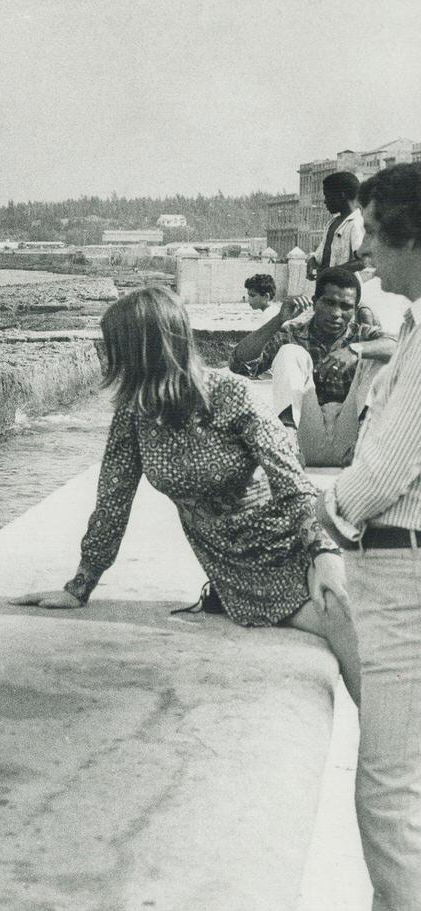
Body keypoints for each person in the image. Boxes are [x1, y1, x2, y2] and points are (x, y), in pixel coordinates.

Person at [12, 286, 359, 703]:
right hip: (239, 568)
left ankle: (387, 750)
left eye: (116, 348)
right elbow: (112, 502)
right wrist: (79, 587)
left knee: (353, 613)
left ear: (147, 349)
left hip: (294, 538)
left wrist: (323, 553)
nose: (109, 360)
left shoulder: (231, 394)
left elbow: (292, 482)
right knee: (348, 620)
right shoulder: (133, 414)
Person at [315, 162, 421, 911]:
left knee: (386, 796)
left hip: (403, 581)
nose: (365, 254)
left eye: (378, 236)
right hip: (397, 572)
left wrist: (322, 512)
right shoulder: (411, 333)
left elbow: (380, 474)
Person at [229, 266, 396, 466]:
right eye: (329, 303)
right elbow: (239, 364)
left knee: (376, 355)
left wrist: (354, 350)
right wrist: (279, 320)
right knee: (290, 352)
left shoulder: (362, 334)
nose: (336, 313)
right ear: (315, 303)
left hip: (353, 443)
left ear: (354, 310)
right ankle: (288, 444)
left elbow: (401, 347)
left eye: (345, 306)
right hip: (305, 440)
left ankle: (363, 442)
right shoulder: (292, 332)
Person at [308, 171, 366, 279]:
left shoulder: (356, 223)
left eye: (327, 196)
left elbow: (362, 261)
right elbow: (320, 257)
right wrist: (311, 262)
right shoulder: (332, 223)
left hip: (345, 290)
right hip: (326, 287)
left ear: (341, 196)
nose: (325, 201)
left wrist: (334, 272)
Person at [243, 272, 309, 318]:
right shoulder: (274, 310)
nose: (249, 299)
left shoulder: (268, 315)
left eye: (252, 296)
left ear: (266, 297)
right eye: (249, 296)